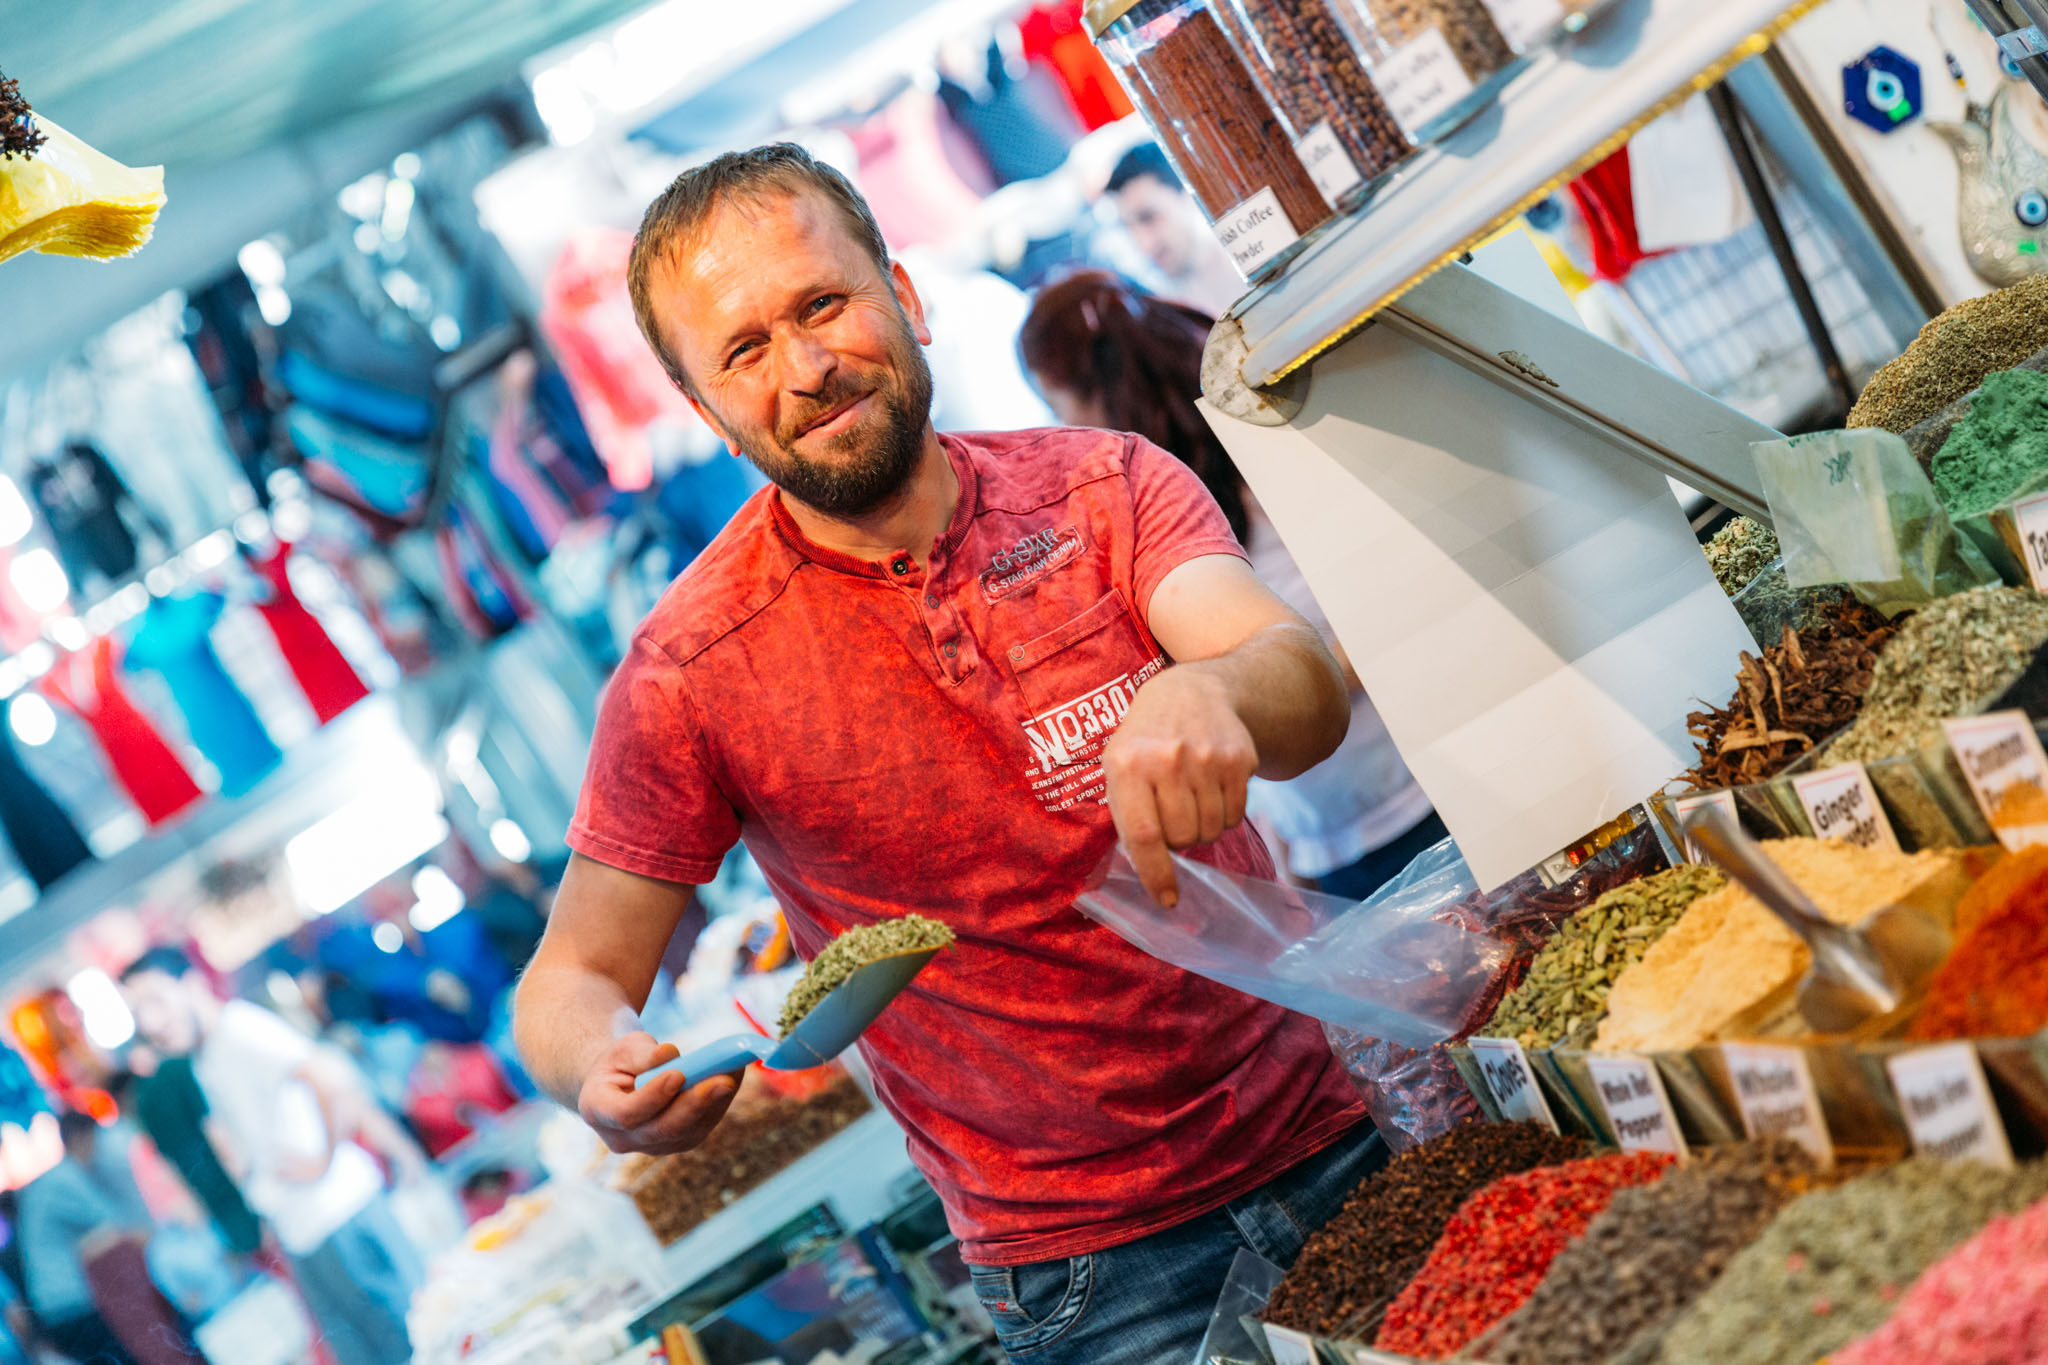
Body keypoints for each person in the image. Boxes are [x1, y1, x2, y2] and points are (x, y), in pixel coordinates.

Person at [514, 142, 1382, 1365]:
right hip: (1092, 1276)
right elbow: (566, 981)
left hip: (1334, 1123)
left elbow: (1295, 683)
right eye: (744, 351)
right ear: (706, 411)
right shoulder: (687, 673)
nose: (806, 369)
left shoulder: (1101, 487)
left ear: (904, 295)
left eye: (822, 304)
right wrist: (597, 1063)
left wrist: (1219, 690)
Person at [1020, 271, 1449, 899]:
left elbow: (1398, 600)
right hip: (1330, 832)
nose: (1058, 426)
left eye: (1055, 404)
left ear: (1089, 392)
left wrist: (1266, 688)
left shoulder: (1257, 459)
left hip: (1429, 784)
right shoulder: (1148, 525)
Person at [119, 947, 425, 1365]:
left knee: (419, 1348)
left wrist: (323, 1157)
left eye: (156, 1001)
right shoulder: (207, 1056)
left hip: (337, 1217)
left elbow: (331, 1076)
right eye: (139, 1012)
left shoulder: (239, 1029)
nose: (150, 1023)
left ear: (192, 984)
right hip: (306, 1231)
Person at [15, 1112, 203, 1365]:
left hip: (56, 1309)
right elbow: (114, 1224)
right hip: (74, 1303)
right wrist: (162, 1238)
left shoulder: (50, 1182)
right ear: (84, 1137)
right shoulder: (65, 1178)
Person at [1105, 143, 1244, 319]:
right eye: (1128, 228)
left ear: (1190, 197)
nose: (1144, 244)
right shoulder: (1165, 313)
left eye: (1148, 217)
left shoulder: (1257, 261)